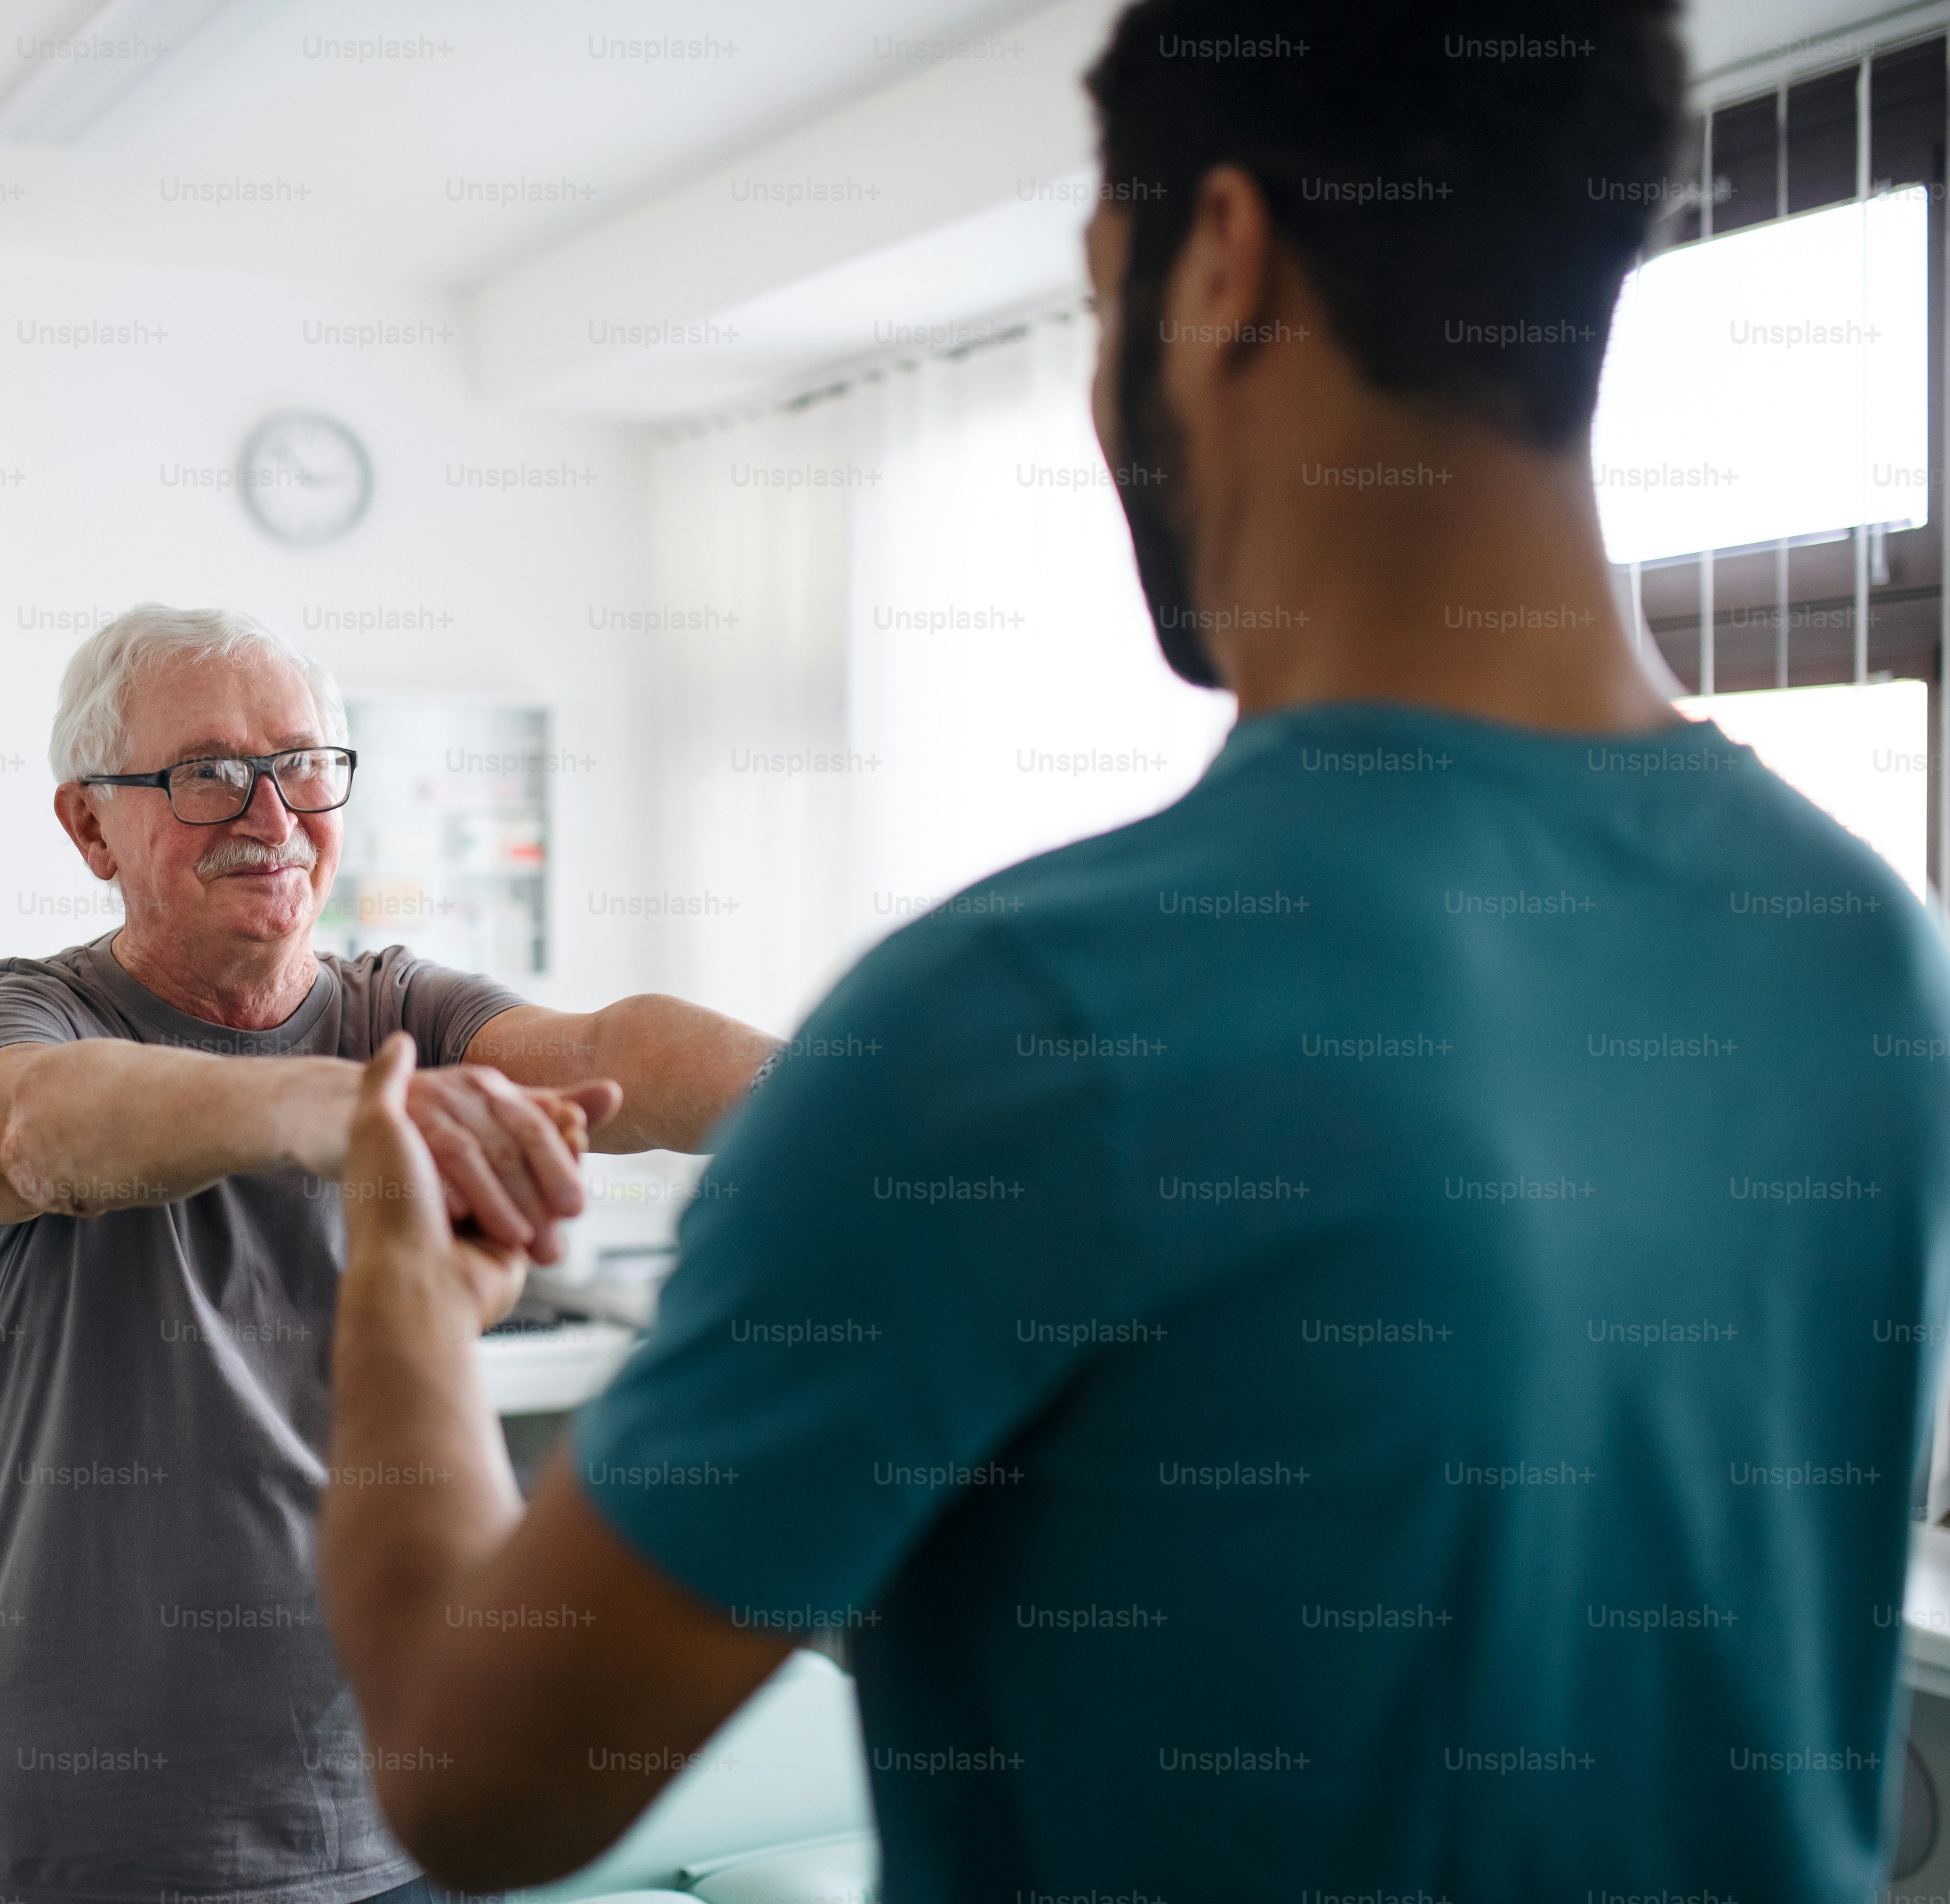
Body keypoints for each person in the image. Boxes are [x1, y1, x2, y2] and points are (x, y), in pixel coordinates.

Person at [312, 4, 1950, 1901]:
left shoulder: (1014, 1020)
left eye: (1105, 301)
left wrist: (397, 1303)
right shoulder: (1862, 955)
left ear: (1224, 261)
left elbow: (469, 1769)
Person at [0, 602, 778, 1904]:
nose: (269, 816)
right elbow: (37, 1130)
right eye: (207, 774)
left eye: (303, 765)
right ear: (91, 824)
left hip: (381, 1826)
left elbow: (612, 1055)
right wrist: (333, 1110)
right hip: (76, 1847)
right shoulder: (15, 1015)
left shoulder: (399, 1009)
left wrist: (849, 1112)